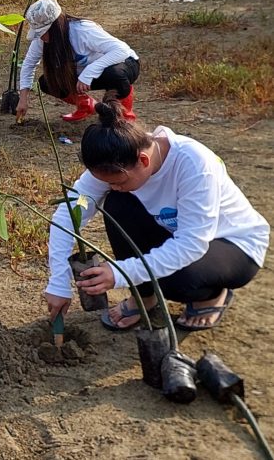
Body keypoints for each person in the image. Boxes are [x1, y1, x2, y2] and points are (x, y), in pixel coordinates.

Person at [45, 102, 268, 332]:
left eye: (118, 181)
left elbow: (191, 244)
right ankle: (144, 296)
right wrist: (59, 283)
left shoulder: (193, 165)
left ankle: (212, 295)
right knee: (117, 203)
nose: (112, 186)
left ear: (143, 161)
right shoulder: (114, 161)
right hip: (175, 233)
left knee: (173, 281)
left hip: (232, 245)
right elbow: (69, 215)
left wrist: (122, 273)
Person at [15, 0, 140, 123]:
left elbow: (121, 50)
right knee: (47, 82)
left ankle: (125, 119)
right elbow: (29, 64)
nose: (41, 37)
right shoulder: (42, 40)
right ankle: (86, 106)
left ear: (56, 26)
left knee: (116, 75)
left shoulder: (82, 30)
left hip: (124, 63)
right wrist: (23, 99)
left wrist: (90, 72)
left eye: (43, 32)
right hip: (84, 76)